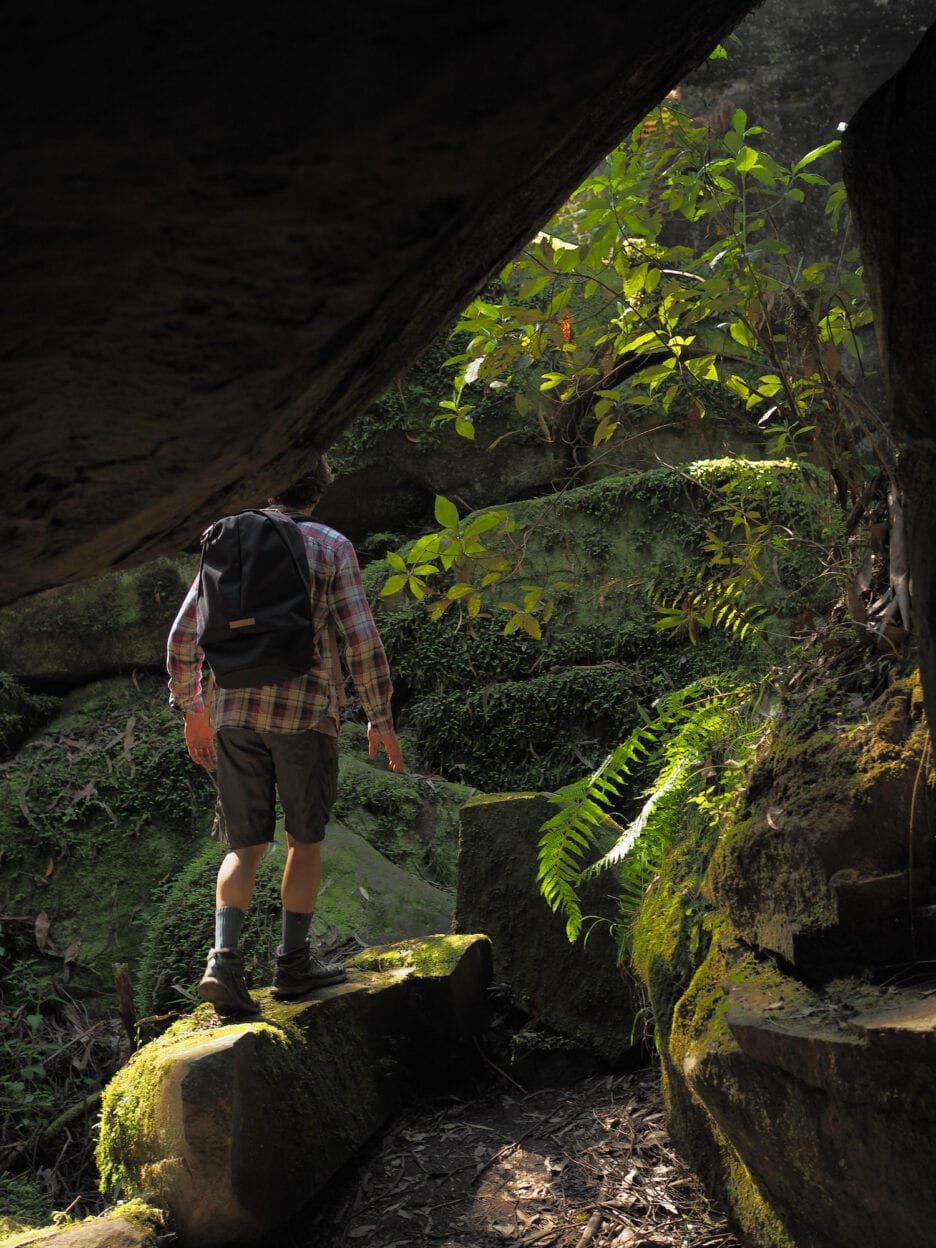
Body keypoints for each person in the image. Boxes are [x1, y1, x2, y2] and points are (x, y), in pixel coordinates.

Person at [167, 455, 404, 1016]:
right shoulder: (330, 546)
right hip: (305, 718)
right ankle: (292, 966)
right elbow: (362, 642)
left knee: (244, 846)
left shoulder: (226, 540)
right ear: (319, 490)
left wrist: (192, 711)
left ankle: (222, 962)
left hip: (232, 715)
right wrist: (381, 719)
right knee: (305, 839)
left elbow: (182, 637)